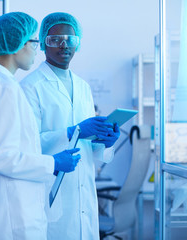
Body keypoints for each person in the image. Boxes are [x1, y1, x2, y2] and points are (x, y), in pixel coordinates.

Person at [0, 12, 81, 240]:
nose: (37, 49)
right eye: (34, 42)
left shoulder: (0, 85)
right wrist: (54, 162)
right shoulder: (4, 89)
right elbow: (1, 157)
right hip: (12, 211)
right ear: (16, 43)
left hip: (14, 206)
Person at [20, 12, 120, 240]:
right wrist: (74, 131)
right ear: (44, 44)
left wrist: (106, 142)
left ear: (78, 43)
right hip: (52, 188)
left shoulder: (83, 87)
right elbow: (28, 143)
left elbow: (91, 150)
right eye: (55, 40)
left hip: (84, 191)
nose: (64, 45)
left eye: (70, 40)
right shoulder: (30, 87)